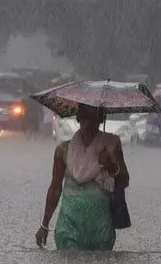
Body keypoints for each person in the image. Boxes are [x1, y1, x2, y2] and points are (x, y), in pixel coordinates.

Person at [36, 104, 130, 251]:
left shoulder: (111, 146)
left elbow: (124, 180)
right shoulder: (63, 150)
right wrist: (44, 224)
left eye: (93, 117)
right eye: (85, 117)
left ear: (100, 119)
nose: (88, 122)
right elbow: (55, 188)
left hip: (101, 227)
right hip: (69, 225)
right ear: (78, 118)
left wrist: (110, 165)